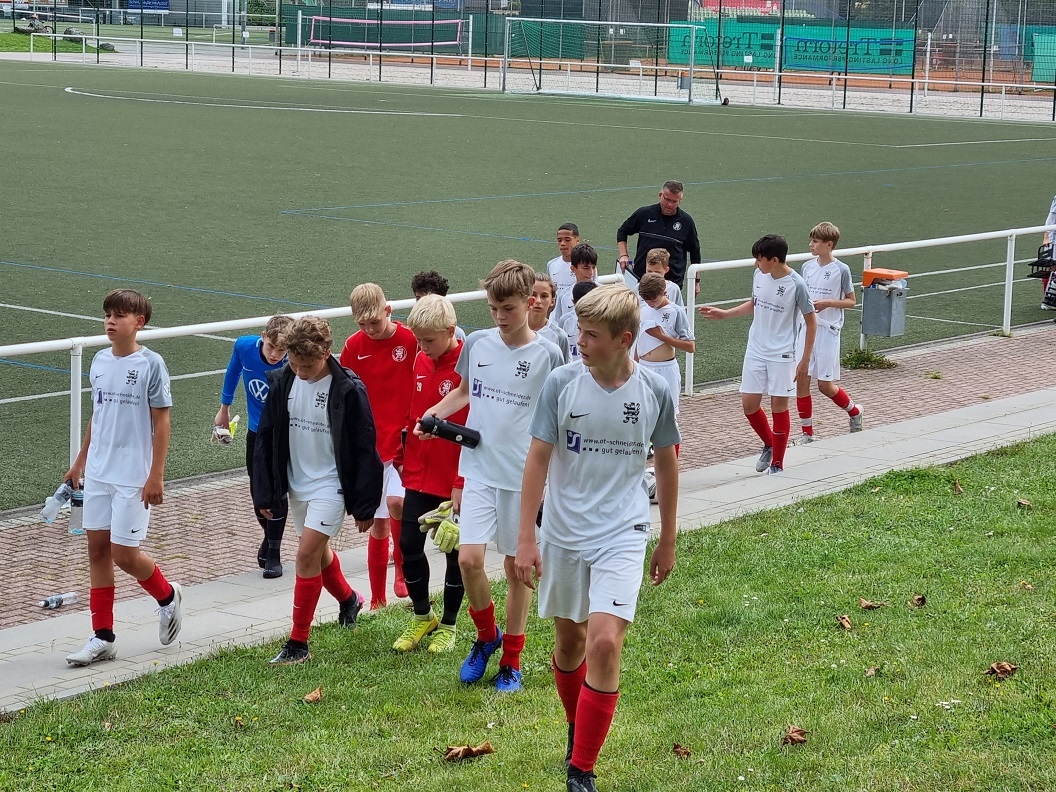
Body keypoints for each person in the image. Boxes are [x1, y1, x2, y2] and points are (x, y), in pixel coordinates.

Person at [514, 283, 680, 792]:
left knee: (605, 642)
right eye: (579, 332)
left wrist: (668, 537)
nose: (579, 342)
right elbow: (537, 460)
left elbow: (667, 464)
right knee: (571, 642)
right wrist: (526, 538)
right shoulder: (561, 383)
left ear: (624, 339)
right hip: (563, 532)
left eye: (590, 335)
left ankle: (581, 769)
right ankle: (576, 724)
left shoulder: (654, 391)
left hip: (623, 530)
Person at [419, 259, 564, 693]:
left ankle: (512, 659)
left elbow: (558, 417)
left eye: (508, 308)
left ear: (530, 302)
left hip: (522, 478)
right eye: (493, 308)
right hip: (478, 469)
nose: (499, 317)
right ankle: (487, 638)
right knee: (468, 560)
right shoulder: (477, 344)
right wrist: (434, 414)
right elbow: (464, 392)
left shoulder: (549, 354)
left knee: (518, 568)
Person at [253, 316, 383, 665]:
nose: (300, 371)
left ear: (326, 353)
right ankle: (349, 599)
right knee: (319, 554)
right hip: (297, 485)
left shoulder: (348, 390)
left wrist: (366, 505)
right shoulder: (283, 381)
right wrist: (264, 491)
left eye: (307, 366)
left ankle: (298, 643)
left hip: (331, 485)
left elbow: (365, 446)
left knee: (305, 555)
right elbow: (266, 437)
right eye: (294, 364)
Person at [63, 289, 182, 667]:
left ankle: (168, 597)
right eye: (107, 316)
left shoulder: (151, 364)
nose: (110, 322)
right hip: (99, 473)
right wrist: (80, 462)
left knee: (124, 554)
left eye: (118, 316)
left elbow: (162, 420)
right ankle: (103, 637)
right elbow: (97, 415)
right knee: (97, 551)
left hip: (133, 477)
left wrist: (156, 475)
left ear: (139, 322)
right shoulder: (99, 360)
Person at [699, 234, 816, 475]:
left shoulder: (797, 285)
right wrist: (725, 314)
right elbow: (755, 302)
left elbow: (811, 321)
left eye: (759, 259)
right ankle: (770, 444)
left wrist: (804, 359)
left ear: (774, 260)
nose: (756, 263)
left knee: (778, 406)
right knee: (749, 405)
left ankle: (777, 464)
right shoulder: (759, 275)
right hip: (755, 349)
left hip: (782, 354)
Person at [391, 294, 468, 654]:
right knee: (408, 545)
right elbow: (413, 411)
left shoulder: (468, 366)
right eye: (419, 340)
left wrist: (461, 483)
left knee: (454, 552)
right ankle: (423, 617)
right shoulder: (420, 360)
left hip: (454, 479)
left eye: (429, 340)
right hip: (419, 474)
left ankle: (449, 625)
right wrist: (402, 453)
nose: (422, 347)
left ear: (451, 331)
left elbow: (475, 428)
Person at [339, 284, 416, 608]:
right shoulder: (353, 346)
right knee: (376, 521)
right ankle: (377, 600)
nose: (370, 330)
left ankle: (402, 572)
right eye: (362, 324)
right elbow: (344, 393)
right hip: (371, 445)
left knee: (398, 503)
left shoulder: (410, 341)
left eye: (375, 322)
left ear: (388, 311)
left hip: (404, 440)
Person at [214, 315, 292, 578]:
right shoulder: (244, 346)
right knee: (258, 491)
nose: (275, 355)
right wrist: (224, 409)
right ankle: (269, 539)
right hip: (257, 431)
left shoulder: (294, 360)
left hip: (284, 433)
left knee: (277, 490)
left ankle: (274, 553)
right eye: (271, 347)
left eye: (282, 350)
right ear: (263, 336)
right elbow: (233, 371)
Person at [794, 222, 863, 442]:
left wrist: (828, 303)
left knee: (825, 386)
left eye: (815, 241)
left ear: (829, 244)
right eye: (811, 240)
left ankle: (854, 411)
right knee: (801, 379)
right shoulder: (807, 267)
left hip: (827, 331)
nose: (810, 245)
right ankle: (807, 434)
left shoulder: (841, 270)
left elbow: (851, 301)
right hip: (806, 329)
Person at [616, 180, 702, 292]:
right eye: (667, 199)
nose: (670, 204)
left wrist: (696, 282)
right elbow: (622, 231)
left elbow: (695, 252)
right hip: (642, 280)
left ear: (680, 200)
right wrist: (624, 255)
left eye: (674, 201)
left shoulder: (686, 222)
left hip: (671, 284)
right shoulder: (644, 214)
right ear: (660, 195)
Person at [636, 273, 694, 418]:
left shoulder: (676, 311)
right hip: (643, 367)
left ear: (664, 292)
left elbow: (690, 346)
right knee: (643, 413)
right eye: (646, 299)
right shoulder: (641, 309)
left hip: (665, 369)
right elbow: (639, 340)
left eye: (653, 299)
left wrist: (662, 337)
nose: (650, 303)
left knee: (668, 416)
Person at [553, 242, 600, 327]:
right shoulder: (563, 295)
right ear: (573, 269)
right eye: (586, 268)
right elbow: (558, 323)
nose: (591, 273)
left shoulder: (604, 293)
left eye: (593, 267)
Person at [411, 270, 467, 341]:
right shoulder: (411, 330)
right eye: (418, 299)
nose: (422, 304)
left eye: (428, 300)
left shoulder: (457, 335)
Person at [529, 272, 571, 363]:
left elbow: (563, 368)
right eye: (533, 295)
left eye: (544, 296)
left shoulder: (560, 336)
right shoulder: (512, 331)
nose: (538, 301)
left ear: (552, 301)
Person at [562, 280, 601, 362]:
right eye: (581, 304)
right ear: (573, 302)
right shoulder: (565, 321)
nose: (585, 308)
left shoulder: (603, 322)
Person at [547, 223, 581, 307]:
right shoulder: (551, 265)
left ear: (577, 240)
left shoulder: (585, 266)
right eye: (559, 240)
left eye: (567, 240)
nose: (562, 243)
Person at [1042, 195, 1056, 310]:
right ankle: (1048, 300)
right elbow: (1051, 216)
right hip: (1054, 240)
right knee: (1052, 268)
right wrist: (1046, 236)